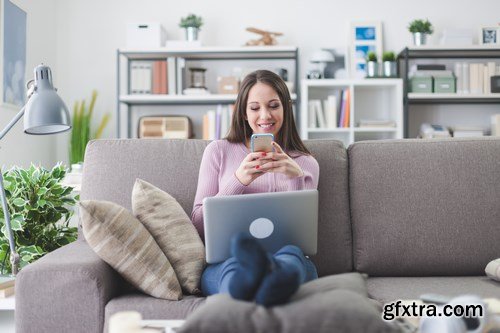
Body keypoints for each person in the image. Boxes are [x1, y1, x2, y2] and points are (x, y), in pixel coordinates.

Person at [191, 69, 319, 306]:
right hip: (230, 259)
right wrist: (238, 180)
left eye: (273, 105)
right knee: (230, 268)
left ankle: (270, 281)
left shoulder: (306, 163)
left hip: (287, 257)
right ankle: (259, 285)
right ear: (242, 112)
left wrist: (294, 177)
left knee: (293, 255)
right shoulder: (218, 152)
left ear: (286, 109)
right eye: (254, 107)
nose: (265, 115)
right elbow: (198, 224)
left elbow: (302, 236)